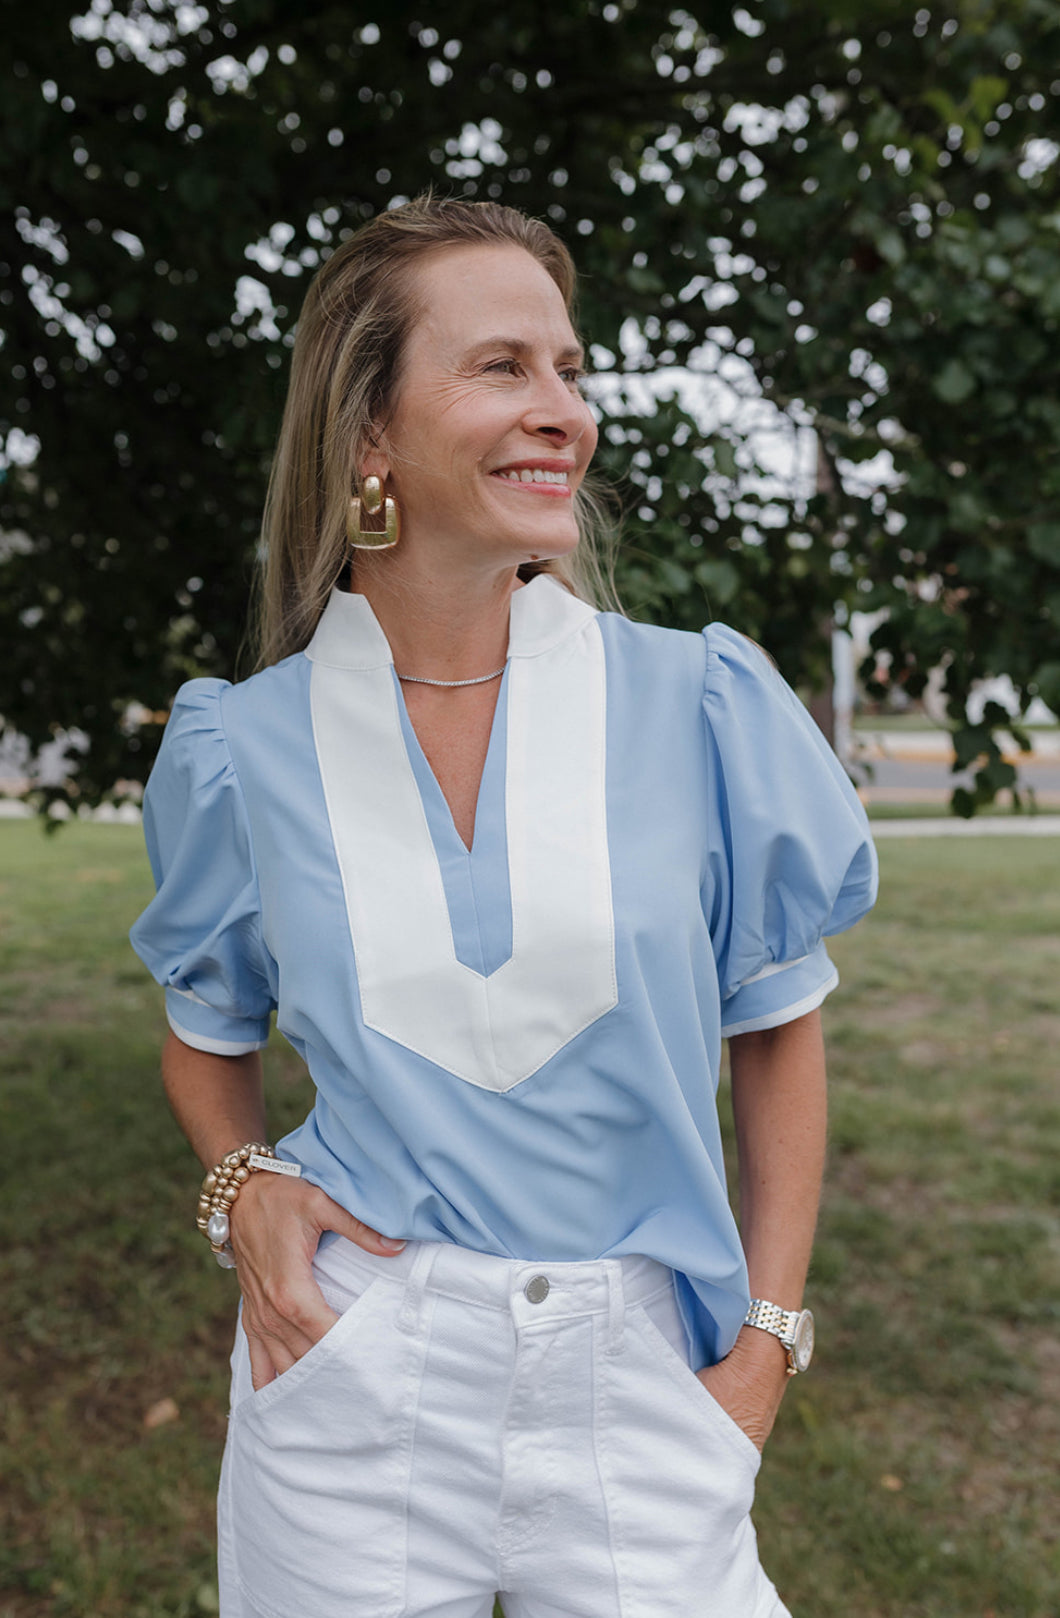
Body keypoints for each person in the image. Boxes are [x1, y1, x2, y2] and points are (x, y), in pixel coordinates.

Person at [130, 196, 878, 1618]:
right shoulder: (241, 746)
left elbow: (778, 1028)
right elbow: (203, 1026)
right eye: (502, 367)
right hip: (351, 1368)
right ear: (369, 429)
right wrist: (241, 1183)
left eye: (570, 370)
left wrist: (767, 1339)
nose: (564, 412)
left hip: (645, 1378)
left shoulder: (700, 703)